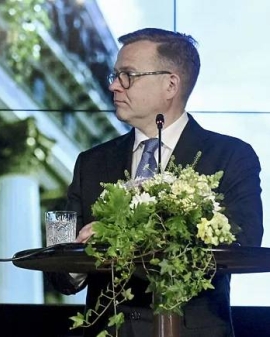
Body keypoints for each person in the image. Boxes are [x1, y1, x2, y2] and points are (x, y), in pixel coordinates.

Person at [50, 28, 263, 337]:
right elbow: (63, 268)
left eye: (127, 75)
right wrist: (74, 261)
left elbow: (246, 238)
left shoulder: (230, 156)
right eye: (115, 74)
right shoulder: (92, 162)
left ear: (170, 84)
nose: (113, 85)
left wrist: (123, 234)